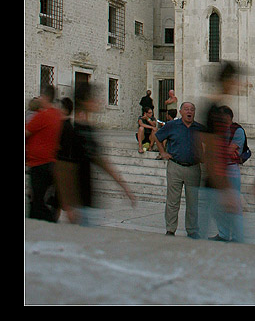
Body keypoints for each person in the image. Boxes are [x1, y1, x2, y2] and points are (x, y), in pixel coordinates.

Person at [56, 83, 136, 225]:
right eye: (94, 98)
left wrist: (123, 186)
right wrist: (68, 207)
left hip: (90, 203)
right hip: (78, 206)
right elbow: (63, 169)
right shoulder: (70, 130)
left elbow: (98, 159)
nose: (99, 101)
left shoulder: (88, 128)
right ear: (84, 102)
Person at [199, 62, 245, 241]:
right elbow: (211, 152)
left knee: (238, 235)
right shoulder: (214, 111)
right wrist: (226, 190)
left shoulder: (217, 109)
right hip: (215, 187)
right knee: (239, 236)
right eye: (236, 80)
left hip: (218, 185)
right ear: (228, 81)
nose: (239, 85)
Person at [154, 101, 203, 238]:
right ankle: (170, 229)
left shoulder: (199, 128)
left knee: (193, 201)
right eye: (186, 109)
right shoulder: (172, 126)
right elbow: (157, 137)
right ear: (181, 112)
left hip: (193, 167)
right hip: (175, 166)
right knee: (172, 201)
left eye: (192, 109)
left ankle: (192, 230)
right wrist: (163, 152)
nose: (189, 111)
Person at [208, 105, 246, 242]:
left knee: (234, 205)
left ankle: (237, 237)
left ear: (228, 117)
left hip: (231, 169)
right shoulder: (219, 131)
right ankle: (223, 234)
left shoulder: (238, 131)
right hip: (220, 168)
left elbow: (229, 151)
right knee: (217, 205)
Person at [25, 85, 63, 222]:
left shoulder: (42, 116)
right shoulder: (57, 115)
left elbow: (26, 133)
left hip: (38, 164)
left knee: (37, 203)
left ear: (45, 97)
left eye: (41, 96)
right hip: (50, 164)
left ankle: (46, 225)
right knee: (43, 199)